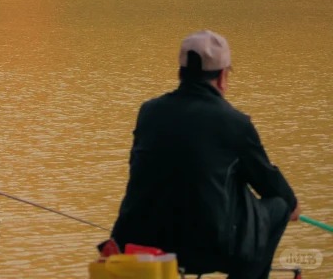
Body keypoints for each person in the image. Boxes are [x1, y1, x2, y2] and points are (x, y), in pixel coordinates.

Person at [103, 30, 299, 279]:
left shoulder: (149, 112)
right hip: (208, 251)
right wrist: (292, 204)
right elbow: (267, 182)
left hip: (141, 244)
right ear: (221, 78)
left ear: (180, 74)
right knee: (279, 206)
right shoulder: (234, 122)